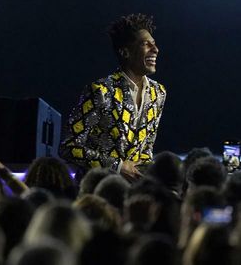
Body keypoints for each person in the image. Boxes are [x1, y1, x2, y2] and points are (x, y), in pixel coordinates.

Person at [59, 14, 166, 181]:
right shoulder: (100, 91)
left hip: (132, 195)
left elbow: (146, 149)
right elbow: (69, 146)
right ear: (125, 52)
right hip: (97, 192)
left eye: (155, 44)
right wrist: (117, 166)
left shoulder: (158, 93)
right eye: (146, 44)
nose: (156, 49)